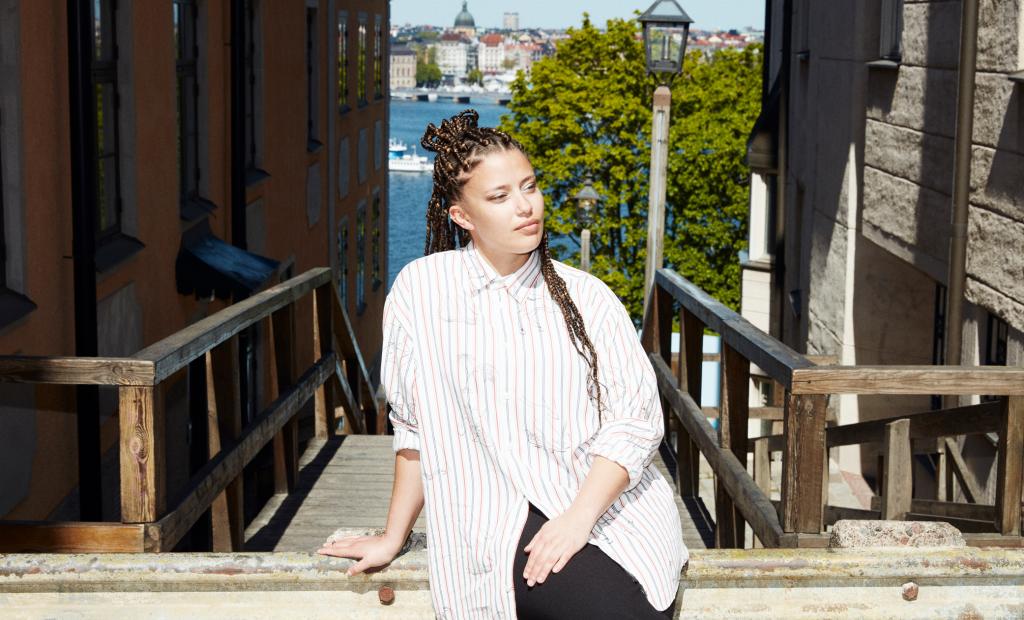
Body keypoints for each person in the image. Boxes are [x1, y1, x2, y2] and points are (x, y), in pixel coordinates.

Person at [318, 109, 686, 619]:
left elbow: (635, 422)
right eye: (500, 197)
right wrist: (392, 535)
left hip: (601, 510)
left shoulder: (588, 297)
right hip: (489, 515)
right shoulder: (421, 292)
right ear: (461, 217)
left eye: (529, 186)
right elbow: (415, 429)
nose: (525, 206)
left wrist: (577, 520)